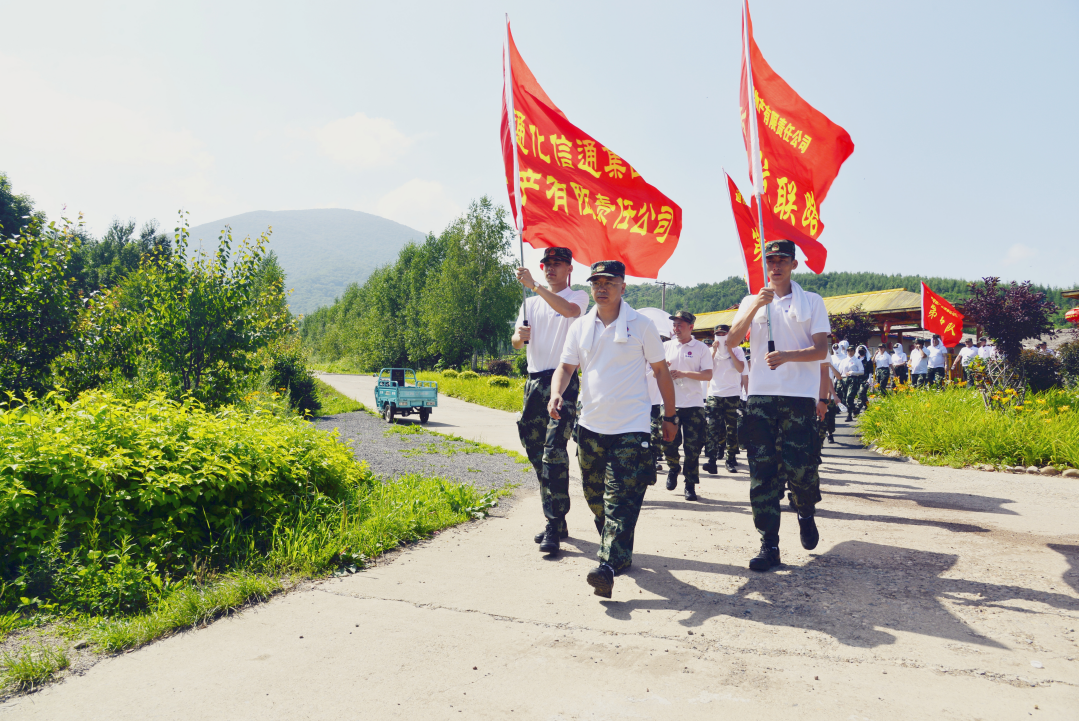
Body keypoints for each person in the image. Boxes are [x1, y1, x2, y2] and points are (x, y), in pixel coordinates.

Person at [549, 260, 677, 598]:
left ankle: (606, 565)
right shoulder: (580, 326)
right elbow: (565, 366)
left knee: (619, 499)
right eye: (596, 282)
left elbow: (662, 372)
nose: (601, 287)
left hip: (631, 428)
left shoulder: (642, 325)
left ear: (623, 286)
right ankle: (617, 548)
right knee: (595, 499)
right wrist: (556, 393)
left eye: (609, 281)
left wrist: (670, 416)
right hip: (590, 426)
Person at [725, 240, 830, 572]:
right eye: (771, 260)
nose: (776, 265)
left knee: (801, 468)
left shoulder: (811, 302)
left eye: (783, 260)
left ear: (794, 264)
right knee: (762, 474)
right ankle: (769, 545)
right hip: (760, 397)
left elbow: (821, 350)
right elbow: (731, 340)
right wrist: (755, 306)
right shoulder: (752, 301)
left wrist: (787, 356)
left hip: (798, 398)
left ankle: (804, 510)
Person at [511, 247, 590, 555]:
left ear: (569, 268)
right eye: (546, 264)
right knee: (534, 450)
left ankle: (553, 524)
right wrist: (521, 335)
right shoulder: (529, 303)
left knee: (554, 451)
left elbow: (570, 312)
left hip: (563, 381)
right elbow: (517, 343)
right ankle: (556, 514)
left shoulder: (578, 296)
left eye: (557, 264)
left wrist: (535, 286)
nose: (550, 268)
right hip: (533, 384)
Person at [661, 311, 713, 500]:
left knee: (693, 447)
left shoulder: (700, 348)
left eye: (680, 325)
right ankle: (674, 467)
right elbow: (653, 372)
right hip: (669, 404)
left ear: (691, 327)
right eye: (674, 325)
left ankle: (690, 484)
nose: (676, 329)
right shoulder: (665, 346)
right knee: (668, 443)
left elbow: (707, 375)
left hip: (693, 404)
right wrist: (663, 369)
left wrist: (684, 373)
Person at [704, 324, 746, 475]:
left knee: (731, 429)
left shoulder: (738, 350)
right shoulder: (710, 351)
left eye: (723, 334)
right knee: (713, 428)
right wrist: (714, 351)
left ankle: (730, 459)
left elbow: (740, 369)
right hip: (715, 394)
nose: (721, 336)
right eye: (718, 334)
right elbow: (706, 369)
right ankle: (711, 460)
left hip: (732, 394)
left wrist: (729, 349)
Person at [839, 345, 864, 422]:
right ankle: (855, 409)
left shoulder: (857, 361)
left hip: (853, 379)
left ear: (854, 351)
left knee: (849, 397)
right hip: (844, 380)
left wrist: (853, 372)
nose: (850, 352)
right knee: (844, 398)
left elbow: (862, 372)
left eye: (851, 351)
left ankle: (849, 415)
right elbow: (840, 371)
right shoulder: (843, 361)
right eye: (848, 351)